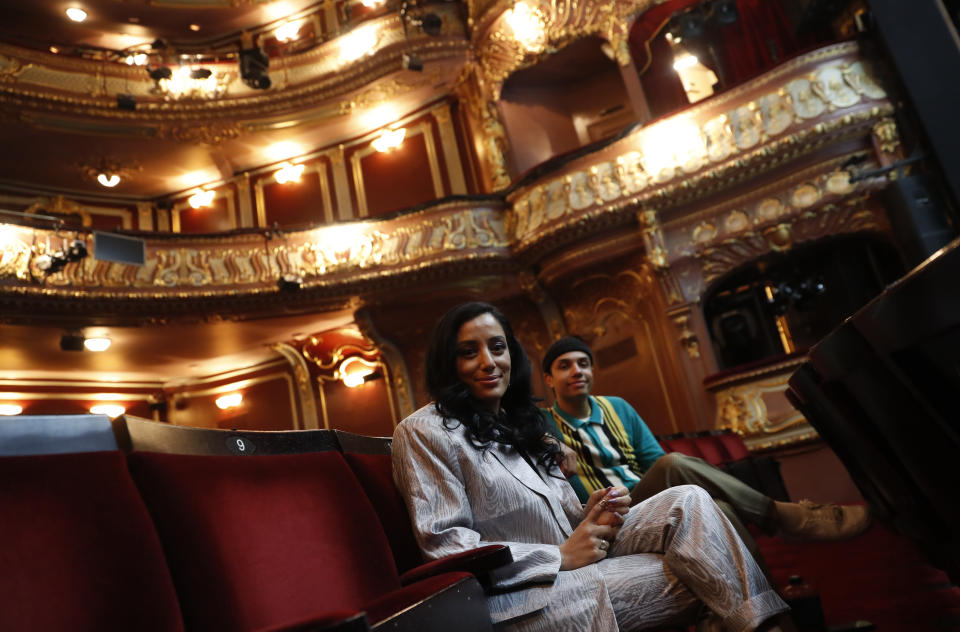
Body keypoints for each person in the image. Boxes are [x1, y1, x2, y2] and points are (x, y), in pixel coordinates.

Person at [392, 302, 794, 632]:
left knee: (688, 498)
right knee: (703, 568)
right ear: (448, 363)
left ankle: (764, 626)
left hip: (578, 562)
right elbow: (447, 545)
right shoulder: (423, 430)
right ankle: (769, 627)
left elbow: (564, 521)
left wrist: (595, 512)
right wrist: (559, 556)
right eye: (468, 352)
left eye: (497, 347)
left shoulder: (518, 425)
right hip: (523, 596)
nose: (488, 362)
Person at [539, 335, 872, 574]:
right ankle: (786, 517)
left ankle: (763, 613)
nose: (576, 371)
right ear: (549, 379)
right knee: (674, 463)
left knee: (721, 508)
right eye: (564, 366)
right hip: (604, 517)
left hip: (647, 498)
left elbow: (652, 461)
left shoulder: (617, 408)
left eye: (583, 364)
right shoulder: (543, 423)